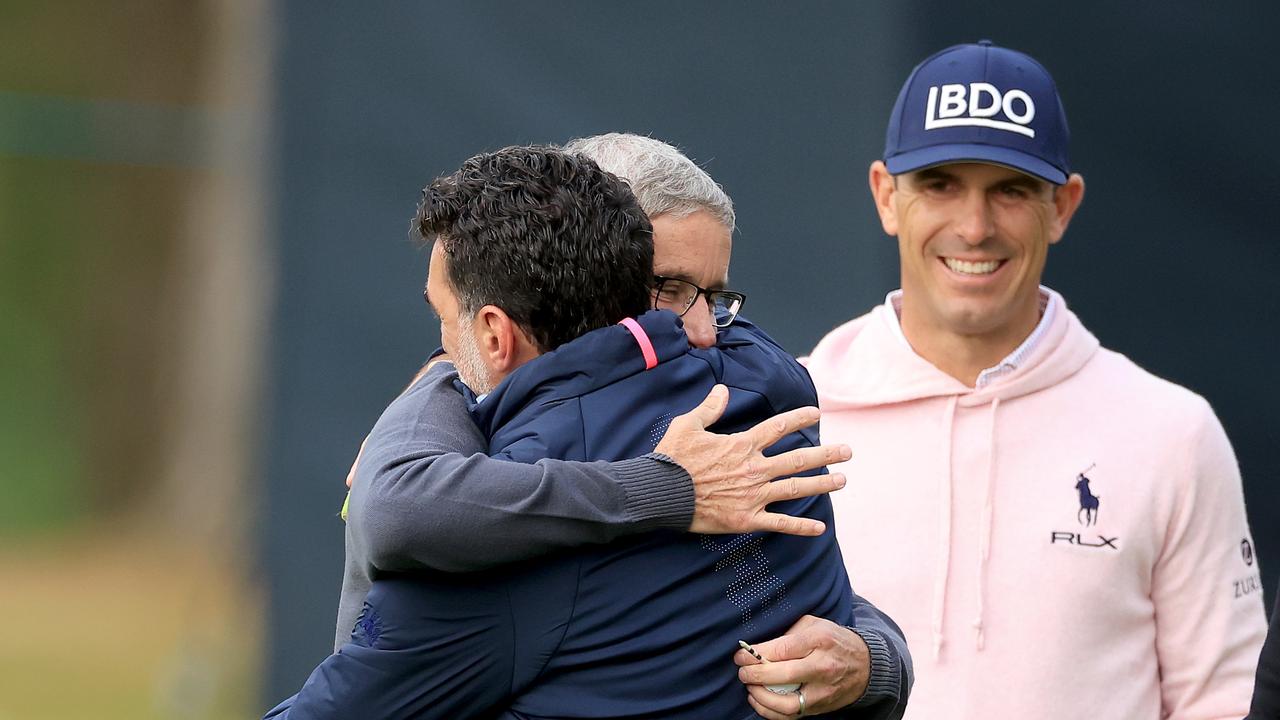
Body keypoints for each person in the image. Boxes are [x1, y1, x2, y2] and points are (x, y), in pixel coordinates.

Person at [268, 145, 904, 718]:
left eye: (714, 295)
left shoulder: (743, 415)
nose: (708, 333)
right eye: (671, 289)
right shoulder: (767, 386)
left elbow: (394, 514)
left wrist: (874, 660)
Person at [743, 40, 1265, 719]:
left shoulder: (1172, 433)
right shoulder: (787, 419)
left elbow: (1225, 700)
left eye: (1011, 190)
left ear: (1063, 207)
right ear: (886, 196)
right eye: (940, 185)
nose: (975, 226)